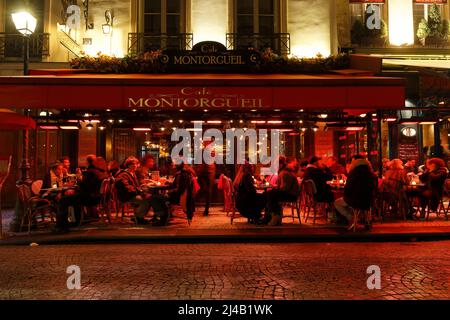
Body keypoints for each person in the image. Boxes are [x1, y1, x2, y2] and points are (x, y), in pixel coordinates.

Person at [115, 156, 170, 226]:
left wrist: (141, 191)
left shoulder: (132, 173)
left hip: (132, 194)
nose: (135, 166)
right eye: (132, 164)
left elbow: (136, 187)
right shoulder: (123, 175)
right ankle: (138, 217)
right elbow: (128, 189)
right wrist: (140, 192)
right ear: (128, 165)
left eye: (136, 164)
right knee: (147, 200)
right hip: (126, 196)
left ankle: (145, 216)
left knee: (151, 197)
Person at [334, 157, 377, 230]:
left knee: (337, 203)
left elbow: (348, 189)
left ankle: (352, 218)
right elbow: (374, 188)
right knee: (355, 205)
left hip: (355, 200)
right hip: (368, 201)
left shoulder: (353, 173)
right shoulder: (372, 174)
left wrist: (346, 195)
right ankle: (363, 220)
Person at [265, 157, 301, 226]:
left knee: (270, 194)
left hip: (291, 195)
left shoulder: (285, 173)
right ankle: (274, 216)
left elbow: (285, 188)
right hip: (290, 193)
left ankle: (275, 216)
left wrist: (276, 189)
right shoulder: (285, 171)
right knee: (270, 193)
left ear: (280, 164)